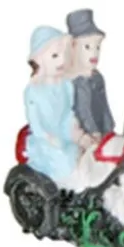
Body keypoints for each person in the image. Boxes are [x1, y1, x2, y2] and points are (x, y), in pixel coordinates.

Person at [23, 26, 80, 184]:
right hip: (45, 141)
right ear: (39, 59)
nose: (61, 61)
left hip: (65, 135)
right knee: (64, 164)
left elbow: (68, 113)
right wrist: (48, 138)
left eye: (63, 55)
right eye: (55, 56)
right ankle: (62, 188)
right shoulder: (34, 91)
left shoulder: (66, 85)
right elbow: (36, 124)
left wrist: (73, 127)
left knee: (80, 156)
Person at [65, 8, 114, 145]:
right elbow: (82, 111)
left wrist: (108, 128)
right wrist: (93, 132)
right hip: (82, 137)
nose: (94, 54)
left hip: (100, 133)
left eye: (97, 47)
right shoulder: (72, 81)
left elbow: (104, 106)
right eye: (87, 47)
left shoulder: (97, 78)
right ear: (73, 47)